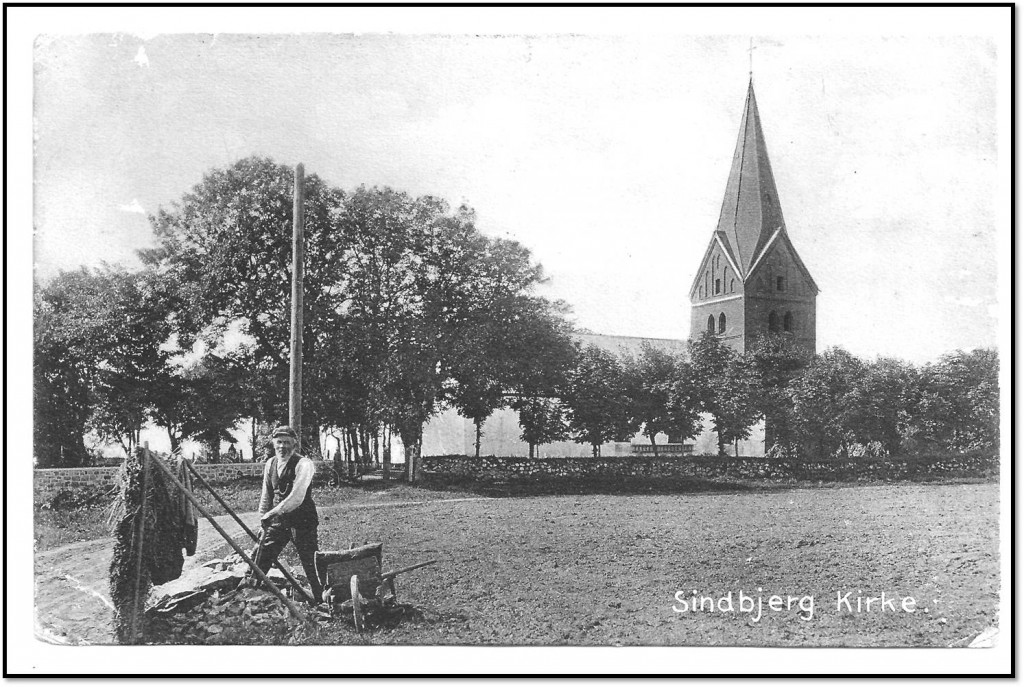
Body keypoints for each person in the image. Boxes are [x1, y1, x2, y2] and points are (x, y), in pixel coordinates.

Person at [253, 425, 322, 604]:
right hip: (278, 522)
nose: (282, 447)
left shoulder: (304, 464)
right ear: (273, 444)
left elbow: (297, 498)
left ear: (294, 444)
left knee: (310, 561)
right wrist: (262, 521)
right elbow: (266, 496)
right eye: (279, 443)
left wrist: (273, 513)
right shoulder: (270, 464)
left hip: (303, 520)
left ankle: (322, 600)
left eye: (286, 443)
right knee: (262, 556)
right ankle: (249, 594)